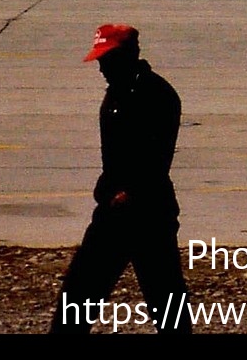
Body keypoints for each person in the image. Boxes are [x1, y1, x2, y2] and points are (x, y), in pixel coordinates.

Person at [49, 23, 191, 333]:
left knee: (167, 304)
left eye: (107, 60)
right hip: (114, 213)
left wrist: (128, 193)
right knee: (78, 296)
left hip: (149, 215)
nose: (101, 68)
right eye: (100, 61)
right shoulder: (114, 95)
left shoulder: (158, 95)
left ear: (130, 55)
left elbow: (156, 160)